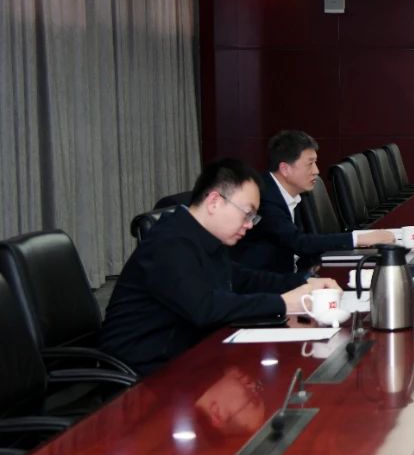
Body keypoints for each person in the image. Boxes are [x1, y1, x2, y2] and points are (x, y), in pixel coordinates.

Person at [99, 158, 337, 376]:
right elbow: (205, 307)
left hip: (189, 355)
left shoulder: (203, 237)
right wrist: (285, 303)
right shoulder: (168, 243)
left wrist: (304, 282)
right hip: (144, 375)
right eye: (247, 214)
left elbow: (242, 279)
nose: (249, 225)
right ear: (214, 201)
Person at [232, 130, 395, 275]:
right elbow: (299, 242)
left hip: (292, 274)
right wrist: (359, 238)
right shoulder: (263, 197)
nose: (316, 171)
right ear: (285, 169)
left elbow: (300, 243)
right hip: (266, 286)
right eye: (310, 164)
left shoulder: (290, 192)